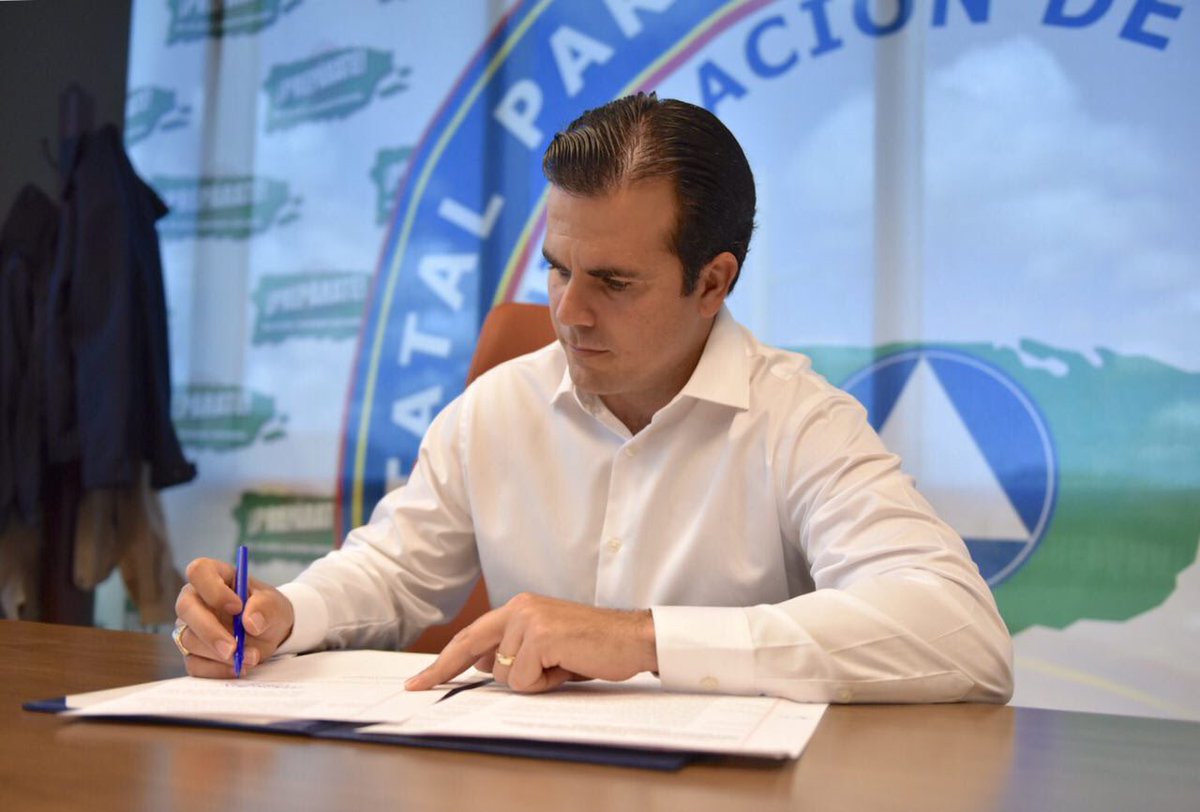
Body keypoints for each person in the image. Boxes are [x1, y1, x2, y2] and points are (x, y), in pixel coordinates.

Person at [174, 93, 1013, 703]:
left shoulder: (799, 421)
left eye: (613, 282)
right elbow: (393, 572)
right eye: (557, 268)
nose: (568, 313)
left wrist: (641, 639)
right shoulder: (496, 409)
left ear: (713, 281)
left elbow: (963, 635)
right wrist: (284, 614)